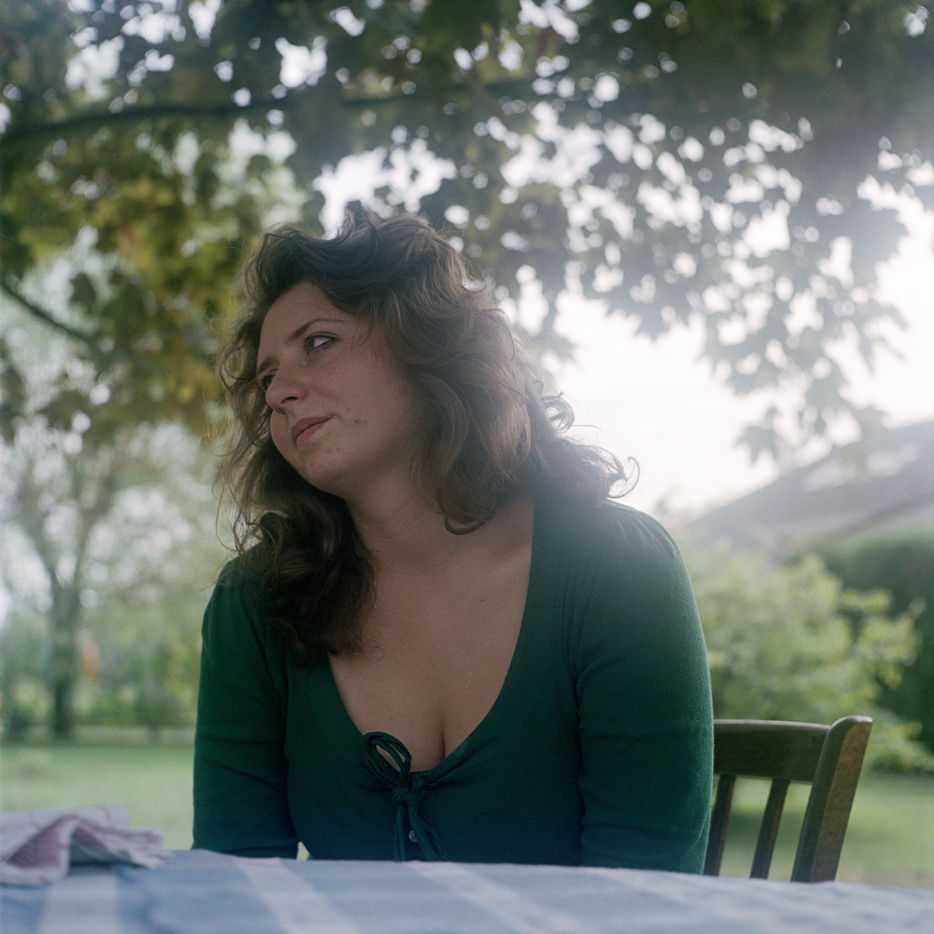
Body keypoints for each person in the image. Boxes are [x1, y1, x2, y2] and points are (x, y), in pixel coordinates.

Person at [192, 208, 713, 871]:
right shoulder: (254, 602)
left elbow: (645, 894)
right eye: (267, 379)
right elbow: (232, 884)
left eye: (318, 343)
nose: (280, 395)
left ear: (426, 341)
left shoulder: (619, 571)